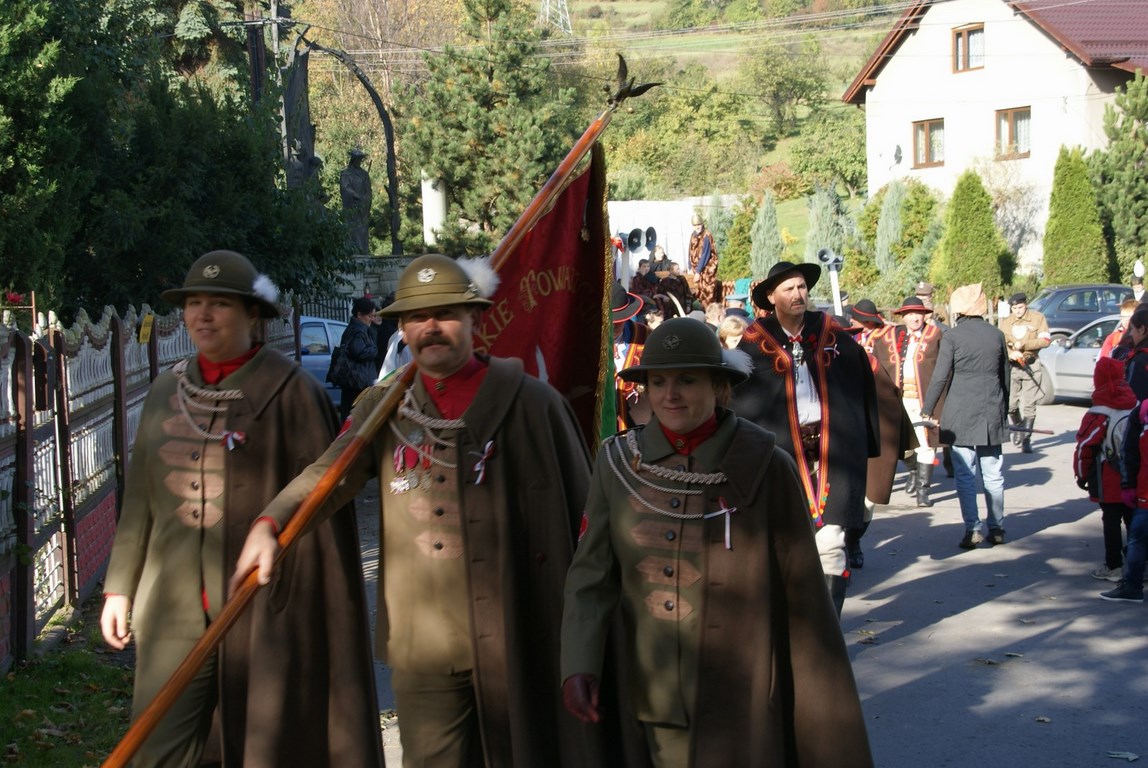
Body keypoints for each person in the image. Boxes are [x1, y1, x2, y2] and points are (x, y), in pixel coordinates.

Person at [230, 253, 603, 768]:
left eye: (446, 313)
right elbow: (328, 475)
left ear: (475, 318)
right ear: (401, 330)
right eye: (416, 317)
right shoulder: (384, 408)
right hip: (423, 640)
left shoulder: (534, 404)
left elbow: (587, 525)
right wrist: (271, 521)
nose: (431, 327)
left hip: (519, 628)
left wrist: (588, 641)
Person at [100, 250, 381, 767]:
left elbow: (323, 499)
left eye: (220, 304)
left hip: (263, 607)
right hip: (172, 605)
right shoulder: (166, 391)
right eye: (195, 303)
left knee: (263, 747)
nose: (203, 315)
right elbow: (140, 500)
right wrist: (120, 587)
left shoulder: (293, 393)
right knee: (157, 748)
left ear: (253, 315)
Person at [560, 318, 873, 768]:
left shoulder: (767, 467)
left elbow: (804, 599)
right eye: (658, 382)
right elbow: (590, 577)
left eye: (687, 380)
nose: (670, 395)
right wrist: (580, 663)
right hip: (652, 692)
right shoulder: (618, 463)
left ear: (718, 386)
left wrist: (812, 697)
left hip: (743, 697)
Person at [732, 261, 880, 614]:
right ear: (772, 297)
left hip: (833, 455)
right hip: (780, 458)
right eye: (789, 289)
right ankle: (793, 627)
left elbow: (861, 386)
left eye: (801, 287)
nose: (798, 294)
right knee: (784, 545)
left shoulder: (832, 335)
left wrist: (865, 443)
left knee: (831, 544)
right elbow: (740, 405)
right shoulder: (754, 343)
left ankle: (829, 632)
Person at [921, 283, 1010, 550]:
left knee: (965, 475)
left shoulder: (953, 336)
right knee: (993, 473)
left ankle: (972, 529)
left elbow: (940, 376)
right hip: (992, 408)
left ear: (959, 309)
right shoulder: (996, 335)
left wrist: (928, 408)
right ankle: (997, 527)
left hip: (960, 411)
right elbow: (1005, 375)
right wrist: (1004, 408)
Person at [871, 297, 945, 507]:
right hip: (900, 401)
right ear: (903, 317)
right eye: (910, 314)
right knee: (901, 444)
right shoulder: (889, 337)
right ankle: (913, 470)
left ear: (924, 315)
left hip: (924, 401)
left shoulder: (935, 336)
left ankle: (923, 491)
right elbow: (876, 360)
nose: (914, 318)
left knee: (926, 444)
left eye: (918, 314)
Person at [1072, 357, 1135, 583]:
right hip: (1134, 472)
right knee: (1133, 519)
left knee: (1111, 521)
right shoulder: (1134, 403)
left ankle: (1113, 566)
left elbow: (1085, 447)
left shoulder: (1099, 411)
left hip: (1108, 475)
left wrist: (1081, 474)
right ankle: (1138, 565)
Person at [1105, 398, 1148, 602]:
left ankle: (1132, 586)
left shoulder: (1142, 411)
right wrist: (1128, 485)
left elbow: (1128, 452)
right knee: (1137, 539)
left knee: (1138, 539)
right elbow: (1129, 451)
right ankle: (1132, 586)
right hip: (1144, 491)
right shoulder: (1142, 412)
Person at [999, 291, 1051, 453]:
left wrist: (1025, 344)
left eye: (1020, 307)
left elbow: (1045, 340)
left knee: (1029, 405)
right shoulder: (1006, 322)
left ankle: (1026, 439)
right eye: (1014, 308)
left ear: (1026, 305)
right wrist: (1010, 353)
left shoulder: (1037, 318)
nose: (1018, 311)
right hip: (1013, 367)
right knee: (1011, 406)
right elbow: (1001, 343)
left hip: (1031, 365)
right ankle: (1019, 427)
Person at [336, 296, 379, 420]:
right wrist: (375, 349)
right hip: (357, 382)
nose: (372, 319)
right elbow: (360, 352)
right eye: (369, 316)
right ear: (359, 315)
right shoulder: (357, 331)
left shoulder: (361, 330)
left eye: (373, 316)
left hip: (357, 381)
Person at [340, 146, 372, 254]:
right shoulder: (346, 173)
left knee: (362, 230)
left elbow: (368, 190)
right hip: (351, 207)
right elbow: (345, 187)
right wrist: (356, 195)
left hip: (362, 208)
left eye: (360, 159)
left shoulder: (364, 174)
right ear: (353, 159)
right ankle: (352, 251)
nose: (359, 161)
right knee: (352, 230)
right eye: (357, 159)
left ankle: (363, 251)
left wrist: (366, 201)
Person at [687, 214, 719, 307]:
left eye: (699, 225)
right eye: (695, 225)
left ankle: (710, 311)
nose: (697, 227)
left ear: (702, 224)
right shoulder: (693, 235)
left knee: (708, 294)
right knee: (697, 294)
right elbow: (690, 250)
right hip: (696, 269)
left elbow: (705, 255)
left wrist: (698, 271)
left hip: (707, 270)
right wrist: (690, 266)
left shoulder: (706, 236)